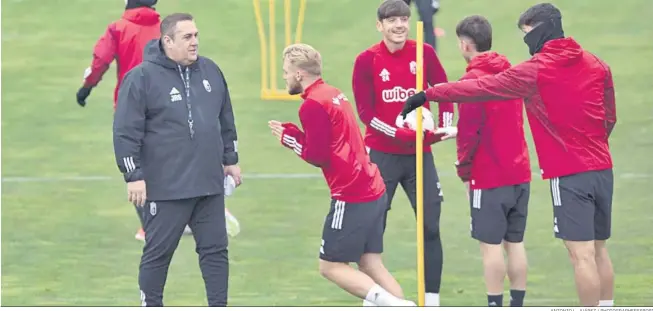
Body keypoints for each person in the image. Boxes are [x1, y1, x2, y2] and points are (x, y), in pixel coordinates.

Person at [401, 3, 616, 307]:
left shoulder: (536, 69)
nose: (526, 43)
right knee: (599, 250)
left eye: (528, 35)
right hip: (603, 168)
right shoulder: (597, 63)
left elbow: (481, 87)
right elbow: (610, 117)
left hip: (569, 174)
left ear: (541, 31)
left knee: (581, 256)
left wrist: (428, 94)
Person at [267, 43, 415, 307]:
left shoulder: (311, 105)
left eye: (286, 71)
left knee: (330, 266)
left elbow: (317, 155)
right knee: (371, 263)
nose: (284, 77)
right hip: (373, 186)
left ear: (299, 73)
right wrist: (296, 134)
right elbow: (331, 142)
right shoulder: (334, 93)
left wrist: (289, 138)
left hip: (351, 194)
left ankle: (399, 306)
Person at [113, 13, 242, 307]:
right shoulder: (141, 78)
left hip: (209, 185)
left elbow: (225, 118)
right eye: (187, 37)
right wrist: (133, 175)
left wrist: (230, 158)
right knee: (158, 255)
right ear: (167, 41)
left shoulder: (211, 71)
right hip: (166, 188)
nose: (195, 42)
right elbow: (125, 131)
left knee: (215, 253)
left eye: (196, 35)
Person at [351, 0, 454, 306]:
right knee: (374, 226)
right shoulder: (366, 60)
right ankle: (374, 296)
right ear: (379, 25)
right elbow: (366, 113)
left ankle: (432, 299)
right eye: (392, 20)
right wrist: (399, 132)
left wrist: (444, 127)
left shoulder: (424, 53)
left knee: (430, 224)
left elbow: (445, 91)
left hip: (420, 156)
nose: (399, 25)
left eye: (403, 20)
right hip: (382, 156)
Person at [448, 15, 531, 307]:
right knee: (515, 243)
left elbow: (469, 133)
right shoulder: (511, 72)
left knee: (491, 247)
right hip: (519, 171)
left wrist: (463, 170)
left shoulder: (471, 83)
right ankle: (517, 303)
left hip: (489, 176)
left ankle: (494, 303)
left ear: (464, 45)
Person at [75, 0, 161, 241]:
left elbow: (100, 61)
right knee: (165, 160)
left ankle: (150, 225)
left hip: (129, 108)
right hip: (163, 106)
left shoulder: (118, 28)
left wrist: (86, 89)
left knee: (134, 165)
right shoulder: (165, 29)